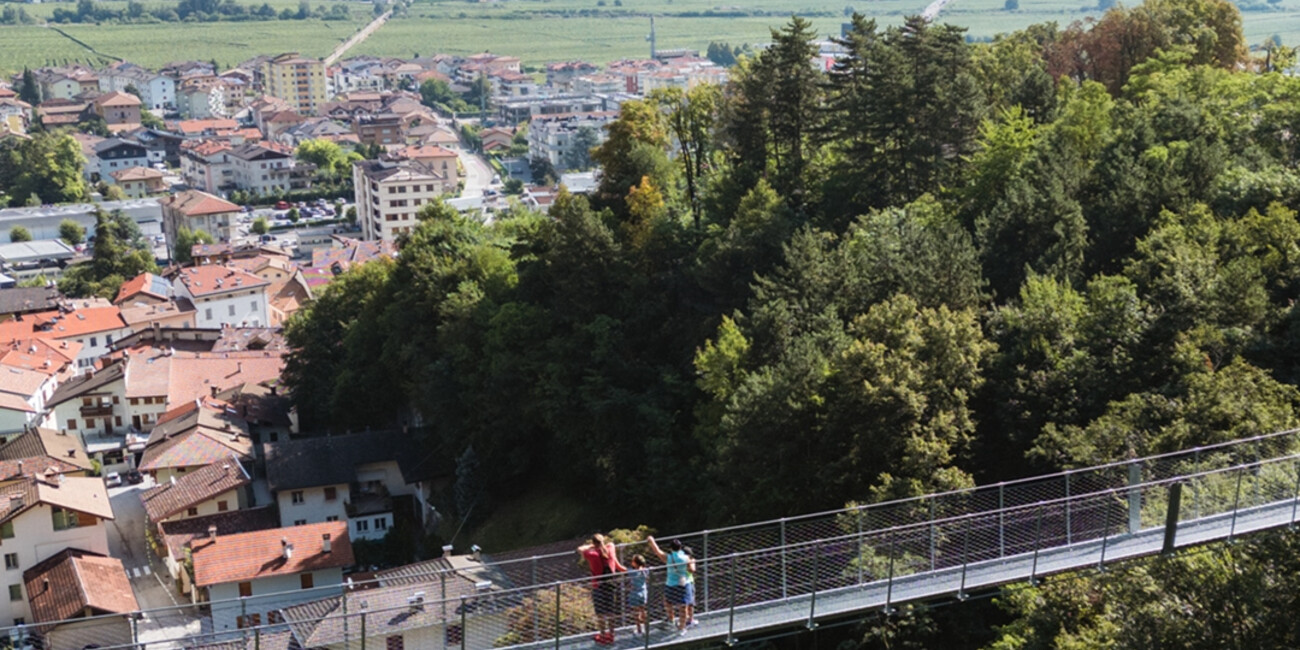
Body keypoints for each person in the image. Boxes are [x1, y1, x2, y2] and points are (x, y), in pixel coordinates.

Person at [578, 533, 626, 644]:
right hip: (610, 585)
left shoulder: (592, 554)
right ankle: (611, 635)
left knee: (600, 613)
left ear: (594, 543)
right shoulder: (611, 548)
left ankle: (603, 635)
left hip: (598, 586)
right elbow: (610, 544)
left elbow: (580, 549)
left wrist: (591, 546)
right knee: (610, 611)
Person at [646, 536, 695, 635]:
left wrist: (651, 541)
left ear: (671, 548)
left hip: (671, 583)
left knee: (667, 601)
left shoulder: (669, 558)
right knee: (683, 606)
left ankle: (671, 618)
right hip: (683, 583)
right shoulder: (686, 558)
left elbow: (657, 551)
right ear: (680, 547)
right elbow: (691, 569)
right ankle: (682, 627)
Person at [626, 554, 650, 637]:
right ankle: (647, 629)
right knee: (643, 611)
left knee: (636, 613)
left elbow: (621, 568)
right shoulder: (646, 571)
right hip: (643, 593)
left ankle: (639, 630)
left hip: (634, 593)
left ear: (635, 563)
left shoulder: (633, 572)